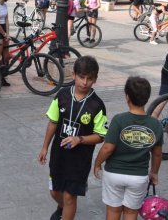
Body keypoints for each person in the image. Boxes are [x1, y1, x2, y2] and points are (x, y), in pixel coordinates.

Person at [38, 56, 107, 220]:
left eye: (89, 79)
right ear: (74, 75)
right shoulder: (61, 96)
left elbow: (100, 136)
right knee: (55, 191)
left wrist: (80, 139)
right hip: (59, 155)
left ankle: (66, 210)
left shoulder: (97, 105)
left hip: (79, 160)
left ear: (95, 79)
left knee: (70, 197)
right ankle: (62, 207)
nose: (85, 82)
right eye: (81, 77)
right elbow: (53, 122)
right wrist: (45, 147)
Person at [93, 77, 163, 220]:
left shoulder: (119, 119)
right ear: (147, 97)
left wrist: (97, 163)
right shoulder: (155, 124)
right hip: (138, 176)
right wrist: (154, 172)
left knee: (113, 210)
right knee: (131, 212)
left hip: (114, 173)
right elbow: (157, 154)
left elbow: (107, 148)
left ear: (127, 97)